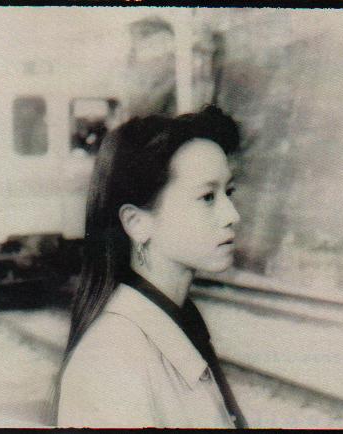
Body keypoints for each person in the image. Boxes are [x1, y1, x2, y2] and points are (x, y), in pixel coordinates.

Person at [51, 106, 248, 428]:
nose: (232, 215)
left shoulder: (179, 320)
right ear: (137, 223)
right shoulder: (110, 362)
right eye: (207, 197)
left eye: (229, 192)